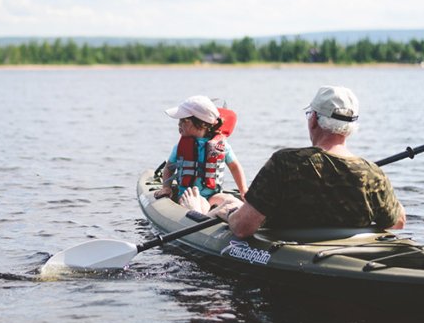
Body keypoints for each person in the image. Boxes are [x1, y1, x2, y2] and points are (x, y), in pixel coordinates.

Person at [181, 85, 405, 238]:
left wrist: (226, 212)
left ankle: (199, 208)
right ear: (351, 128)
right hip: (347, 254)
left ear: (313, 120)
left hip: (288, 254)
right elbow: (398, 222)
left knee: (227, 204)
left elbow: (242, 228)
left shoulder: (285, 163)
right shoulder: (373, 173)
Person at [154, 95, 248, 205]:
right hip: (188, 195)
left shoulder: (222, 146)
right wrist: (166, 187)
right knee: (201, 203)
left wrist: (243, 190)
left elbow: (235, 167)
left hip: (213, 195)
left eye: (184, 121)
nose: (179, 124)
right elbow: (169, 168)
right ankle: (210, 212)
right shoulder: (179, 147)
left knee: (229, 200)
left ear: (201, 124)